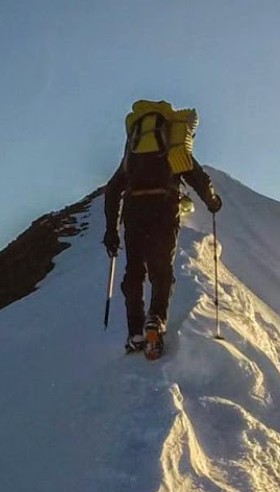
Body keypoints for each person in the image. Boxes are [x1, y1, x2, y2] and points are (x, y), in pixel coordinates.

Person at [102, 110, 223, 356]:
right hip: (164, 208)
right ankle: (155, 321)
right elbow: (197, 177)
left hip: (134, 210)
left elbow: (113, 190)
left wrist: (111, 230)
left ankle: (134, 331)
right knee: (161, 269)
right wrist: (212, 202)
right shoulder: (175, 145)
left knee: (134, 270)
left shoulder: (133, 152)